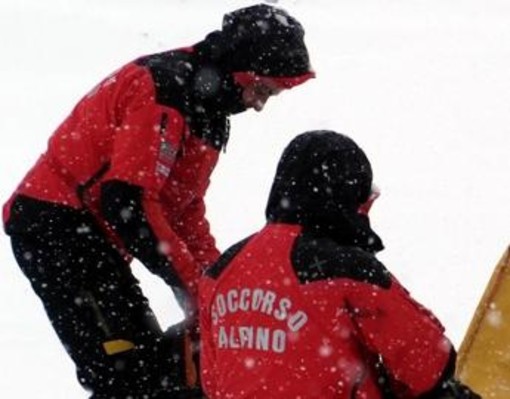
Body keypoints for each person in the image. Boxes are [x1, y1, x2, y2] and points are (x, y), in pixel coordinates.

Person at [3, 4, 314, 398]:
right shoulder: (164, 88)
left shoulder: (211, 112)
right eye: (262, 89)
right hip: (54, 223)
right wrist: (190, 283)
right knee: (123, 370)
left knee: (152, 365)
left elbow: (184, 211)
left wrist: (214, 283)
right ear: (241, 68)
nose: (258, 104)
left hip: (94, 236)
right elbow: (128, 201)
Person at [199, 131, 481, 398]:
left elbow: (211, 384)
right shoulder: (347, 268)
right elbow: (428, 364)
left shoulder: (221, 270)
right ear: (346, 194)